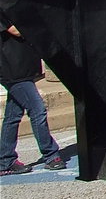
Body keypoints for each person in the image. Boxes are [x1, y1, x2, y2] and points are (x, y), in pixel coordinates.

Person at [1, 9, 65, 175]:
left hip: (21, 68)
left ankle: (5, 160)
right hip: (12, 69)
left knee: (13, 115)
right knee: (37, 109)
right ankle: (51, 155)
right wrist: (37, 27)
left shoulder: (12, 4)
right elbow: (14, 30)